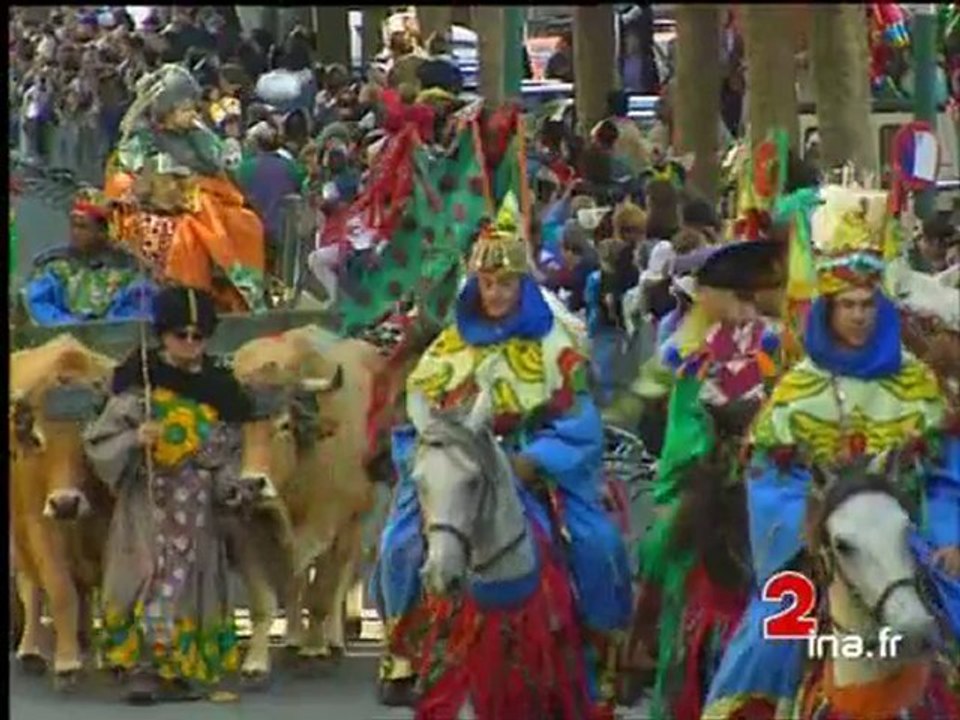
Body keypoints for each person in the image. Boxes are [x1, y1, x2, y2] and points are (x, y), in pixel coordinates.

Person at [703, 185, 960, 719]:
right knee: (764, 640)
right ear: (828, 307)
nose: (860, 316)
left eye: (869, 305)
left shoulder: (919, 386)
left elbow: (946, 476)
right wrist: (811, 531)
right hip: (820, 555)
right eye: (848, 305)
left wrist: (949, 540)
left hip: (916, 545)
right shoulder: (797, 390)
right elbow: (769, 482)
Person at [371, 195, 632, 717]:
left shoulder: (556, 345)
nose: (495, 293)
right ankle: (404, 648)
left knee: (598, 544)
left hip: (531, 468)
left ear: (523, 285)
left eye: (506, 283)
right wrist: (428, 456)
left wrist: (534, 458)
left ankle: (601, 654)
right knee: (398, 543)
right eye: (488, 283)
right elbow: (415, 421)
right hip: (455, 462)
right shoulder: (449, 346)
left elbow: (579, 422)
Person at [628, 239, 790, 720]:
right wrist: (710, 449)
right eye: (733, 298)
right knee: (662, 544)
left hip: (771, 478)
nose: (742, 310)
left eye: (750, 298)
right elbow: (682, 424)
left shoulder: (782, 349)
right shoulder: (690, 353)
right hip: (708, 476)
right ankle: (644, 646)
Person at [83, 286, 253, 704]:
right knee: (143, 574)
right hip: (147, 500)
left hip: (197, 507)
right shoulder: (137, 382)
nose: (191, 344)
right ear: (162, 335)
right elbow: (99, 440)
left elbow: (233, 448)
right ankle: (141, 665)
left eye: (199, 335)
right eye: (181, 334)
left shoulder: (221, 387)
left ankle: (179, 668)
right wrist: (133, 438)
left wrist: (228, 483)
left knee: (189, 582)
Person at [105, 63, 266, 312]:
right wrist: (170, 180)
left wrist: (206, 141)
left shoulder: (196, 132)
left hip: (201, 195)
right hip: (157, 205)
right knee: (188, 238)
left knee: (247, 223)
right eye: (183, 110)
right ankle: (191, 301)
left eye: (193, 108)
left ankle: (241, 293)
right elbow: (136, 174)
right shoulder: (141, 136)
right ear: (164, 111)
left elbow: (217, 164)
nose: (190, 114)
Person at [22, 188, 156, 326]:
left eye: (83, 227)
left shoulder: (128, 267)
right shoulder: (55, 266)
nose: (75, 233)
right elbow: (37, 304)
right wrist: (73, 327)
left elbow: (137, 311)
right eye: (73, 226)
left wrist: (102, 329)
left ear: (103, 232)